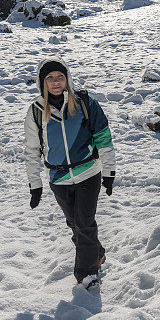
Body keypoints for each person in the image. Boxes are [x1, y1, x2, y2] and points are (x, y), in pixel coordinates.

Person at [24, 57, 116, 288]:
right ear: (42, 82)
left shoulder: (84, 103)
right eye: (50, 78)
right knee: (75, 224)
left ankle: (86, 275)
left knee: (84, 222)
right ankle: (97, 252)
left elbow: (103, 136)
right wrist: (35, 186)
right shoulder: (36, 111)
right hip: (59, 179)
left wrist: (109, 171)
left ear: (67, 79)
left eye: (60, 77)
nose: (56, 82)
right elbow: (32, 150)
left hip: (88, 173)